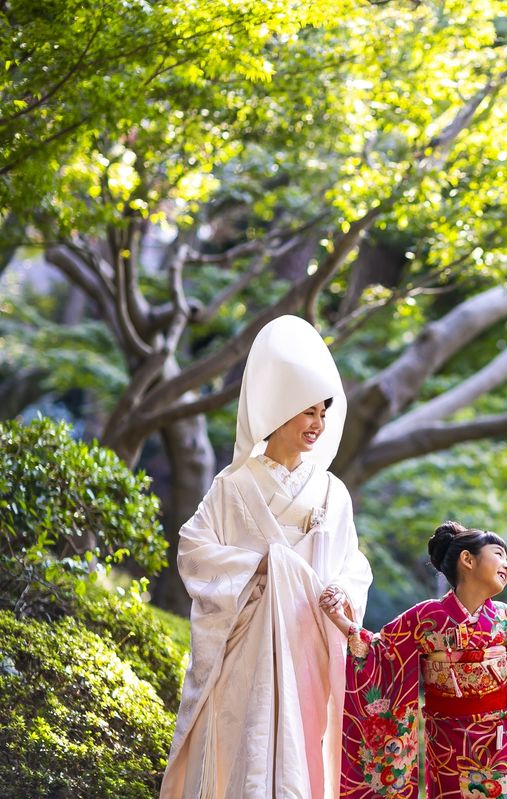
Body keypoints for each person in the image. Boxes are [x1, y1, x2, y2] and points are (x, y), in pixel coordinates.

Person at [160, 315, 373, 799]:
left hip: (308, 637)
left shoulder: (331, 491)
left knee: (303, 748)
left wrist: (341, 587)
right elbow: (194, 549)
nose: (318, 424)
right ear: (278, 410)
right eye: (307, 412)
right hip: (247, 639)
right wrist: (262, 565)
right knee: (244, 743)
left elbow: (351, 564)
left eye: (323, 412)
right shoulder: (232, 485)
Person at [321, 521, 507, 799]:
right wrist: (340, 619)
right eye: (499, 554)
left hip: (499, 741)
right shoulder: (426, 617)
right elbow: (381, 651)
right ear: (467, 560)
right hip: (447, 742)